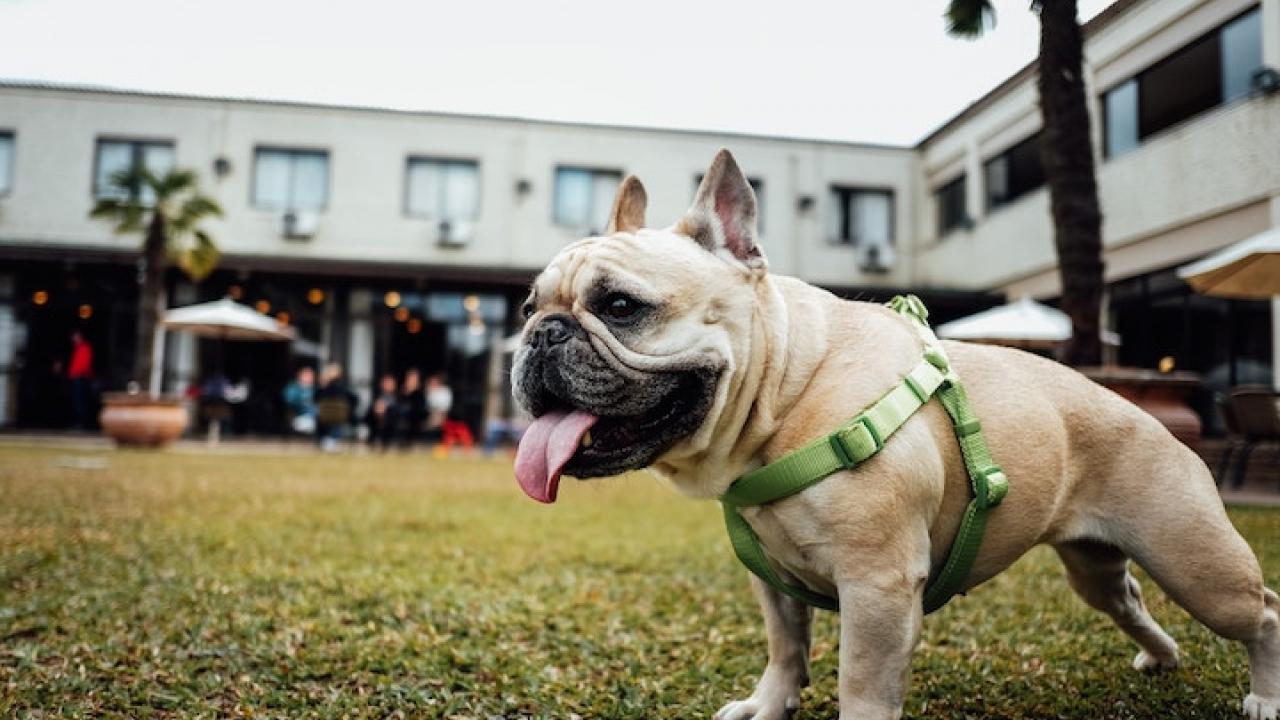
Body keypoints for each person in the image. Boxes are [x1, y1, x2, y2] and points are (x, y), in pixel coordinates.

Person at [315, 362, 356, 452]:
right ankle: (331, 441)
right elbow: (354, 399)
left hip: (324, 418)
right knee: (336, 421)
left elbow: (315, 399)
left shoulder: (323, 389)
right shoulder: (343, 388)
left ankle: (325, 441)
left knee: (325, 418)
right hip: (340, 418)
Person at [66, 330, 94, 429]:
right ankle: (78, 421)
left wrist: (77, 374)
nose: (73, 339)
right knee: (76, 400)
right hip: (75, 378)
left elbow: (84, 364)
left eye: (75, 337)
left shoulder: (84, 348)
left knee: (80, 401)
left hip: (81, 378)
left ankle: (82, 422)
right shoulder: (77, 349)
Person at [366, 373, 400, 452]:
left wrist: (385, 408)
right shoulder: (377, 396)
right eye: (385, 382)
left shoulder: (398, 396)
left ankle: (383, 440)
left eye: (389, 383)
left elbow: (397, 407)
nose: (387, 385)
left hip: (391, 417)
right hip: (378, 416)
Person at [283, 366, 317, 435]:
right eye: (306, 375)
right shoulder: (292, 387)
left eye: (311, 375)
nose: (309, 377)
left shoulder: (314, 389)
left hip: (314, 417)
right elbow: (288, 400)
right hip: (298, 415)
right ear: (300, 375)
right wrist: (302, 401)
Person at [398, 368, 426, 450]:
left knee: (414, 416)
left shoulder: (420, 391)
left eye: (414, 378)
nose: (411, 380)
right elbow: (399, 403)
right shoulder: (402, 390)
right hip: (403, 413)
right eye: (410, 377)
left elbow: (420, 405)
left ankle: (411, 442)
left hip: (416, 414)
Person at [425, 372, 453, 442]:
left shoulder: (445, 391)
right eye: (431, 382)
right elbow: (427, 405)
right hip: (430, 413)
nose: (432, 384)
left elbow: (445, 406)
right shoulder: (429, 392)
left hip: (442, 413)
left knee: (435, 418)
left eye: (434, 382)